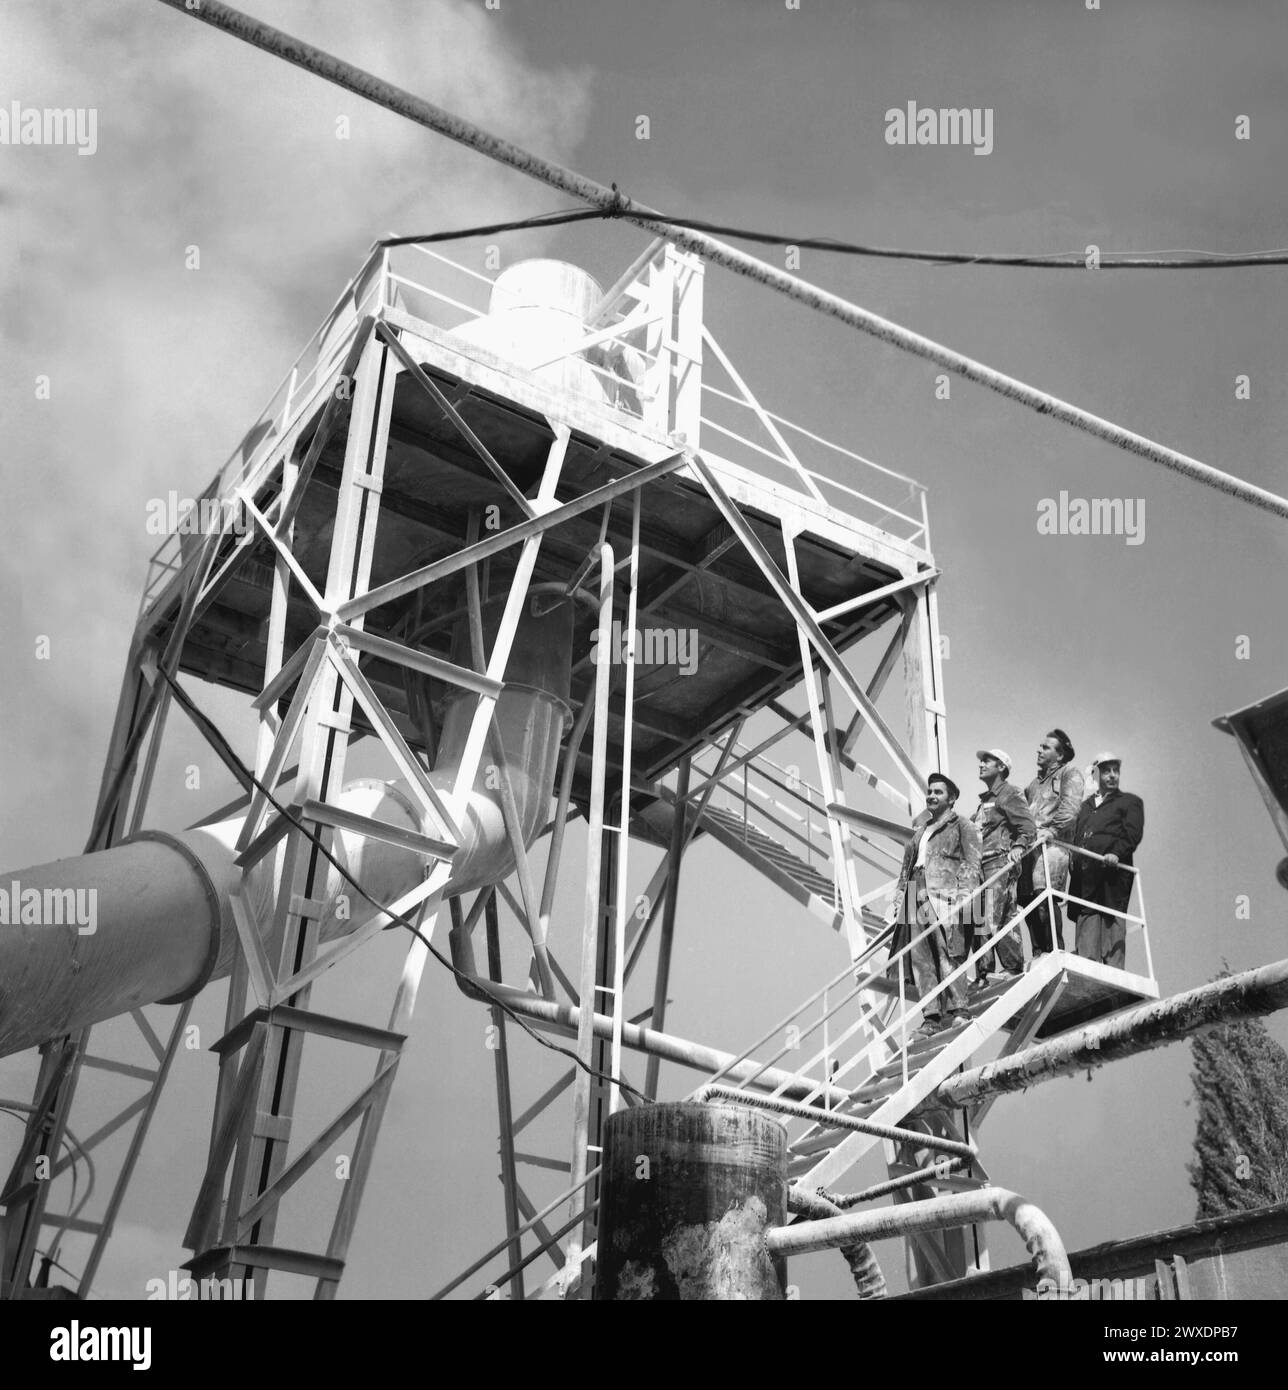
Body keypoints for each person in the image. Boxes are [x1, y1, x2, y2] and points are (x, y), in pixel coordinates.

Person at [887, 773, 983, 1035]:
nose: (931, 796)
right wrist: (899, 898)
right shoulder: (919, 834)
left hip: (944, 894)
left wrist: (965, 895)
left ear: (951, 798)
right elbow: (905, 868)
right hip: (914, 892)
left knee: (949, 952)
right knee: (920, 957)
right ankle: (931, 1017)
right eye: (930, 791)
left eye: (938, 792)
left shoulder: (962, 825)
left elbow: (972, 862)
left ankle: (958, 1009)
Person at [1069, 753, 1144, 970]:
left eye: (1115, 770)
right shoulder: (1084, 807)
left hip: (1113, 873)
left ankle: (1114, 968)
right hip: (1086, 875)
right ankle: (1087, 965)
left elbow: (1132, 835)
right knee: (1087, 917)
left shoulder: (1129, 802)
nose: (1112, 775)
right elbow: (1075, 834)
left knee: (1112, 918)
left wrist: (1117, 854)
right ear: (1097, 773)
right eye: (1106, 770)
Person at [969, 749, 1036, 983]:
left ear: (1001, 767)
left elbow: (1027, 826)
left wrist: (1019, 846)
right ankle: (988, 971)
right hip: (981, 864)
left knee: (989, 915)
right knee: (993, 915)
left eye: (987, 761)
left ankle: (998, 969)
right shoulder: (984, 802)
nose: (981, 764)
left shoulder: (1009, 793)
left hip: (998, 861)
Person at [1016, 728, 1084, 957]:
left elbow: (1071, 808)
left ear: (1061, 754)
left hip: (1054, 845)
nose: (1039, 749)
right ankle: (1037, 951)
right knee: (1026, 900)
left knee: (1044, 897)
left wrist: (1052, 830)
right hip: (1030, 848)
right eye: (1040, 746)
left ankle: (1054, 949)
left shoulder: (1069, 773)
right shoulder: (1032, 786)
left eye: (1046, 747)